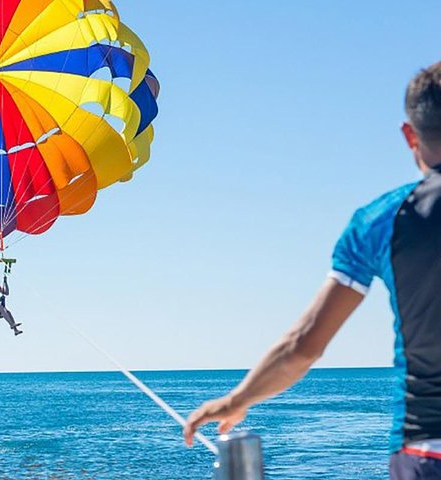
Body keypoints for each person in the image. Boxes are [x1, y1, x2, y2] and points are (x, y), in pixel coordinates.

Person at [184, 63, 441, 480]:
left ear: (410, 136)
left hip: (426, 452)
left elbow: (304, 345)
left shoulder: (380, 220)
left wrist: (239, 398)